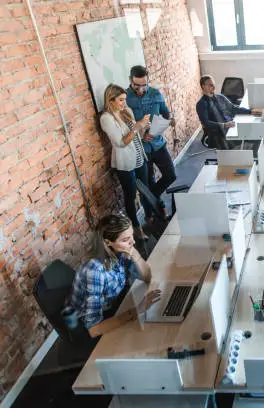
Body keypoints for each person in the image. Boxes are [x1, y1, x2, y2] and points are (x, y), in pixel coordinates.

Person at [70, 214, 161, 337]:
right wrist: (137, 310)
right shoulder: (95, 272)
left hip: (113, 305)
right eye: (125, 240)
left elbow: (147, 276)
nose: (133, 242)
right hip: (91, 325)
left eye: (132, 236)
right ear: (108, 243)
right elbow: (93, 329)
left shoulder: (121, 250)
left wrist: (134, 254)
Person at [100, 84, 151, 240]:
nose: (124, 103)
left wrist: (143, 128)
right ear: (111, 100)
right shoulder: (106, 118)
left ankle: (150, 217)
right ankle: (137, 229)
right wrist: (137, 126)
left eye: (125, 99)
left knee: (146, 190)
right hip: (125, 164)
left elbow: (136, 136)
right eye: (121, 100)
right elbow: (121, 143)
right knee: (130, 196)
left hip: (139, 157)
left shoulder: (126, 112)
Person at [126, 65, 177, 220]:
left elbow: (165, 111)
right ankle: (150, 216)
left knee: (170, 176)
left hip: (158, 144)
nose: (141, 89)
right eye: (137, 85)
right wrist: (141, 136)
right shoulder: (124, 99)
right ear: (130, 80)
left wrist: (170, 119)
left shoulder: (155, 93)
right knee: (147, 182)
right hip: (140, 148)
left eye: (144, 85)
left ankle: (152, 198)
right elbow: (124, 126)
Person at [196, 75, 252, 150]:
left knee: (249, 132)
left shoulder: (220, 97)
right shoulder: (201, 104)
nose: (213, 86)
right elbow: (206, 123)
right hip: (217, 133)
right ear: (203, 86)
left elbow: (233, 108)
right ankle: (235, 157)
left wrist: (251, 111)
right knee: (244, 140)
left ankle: (244, 155)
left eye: (213, 84)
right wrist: (224, 125)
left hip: (229, 126)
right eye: (210, 85)